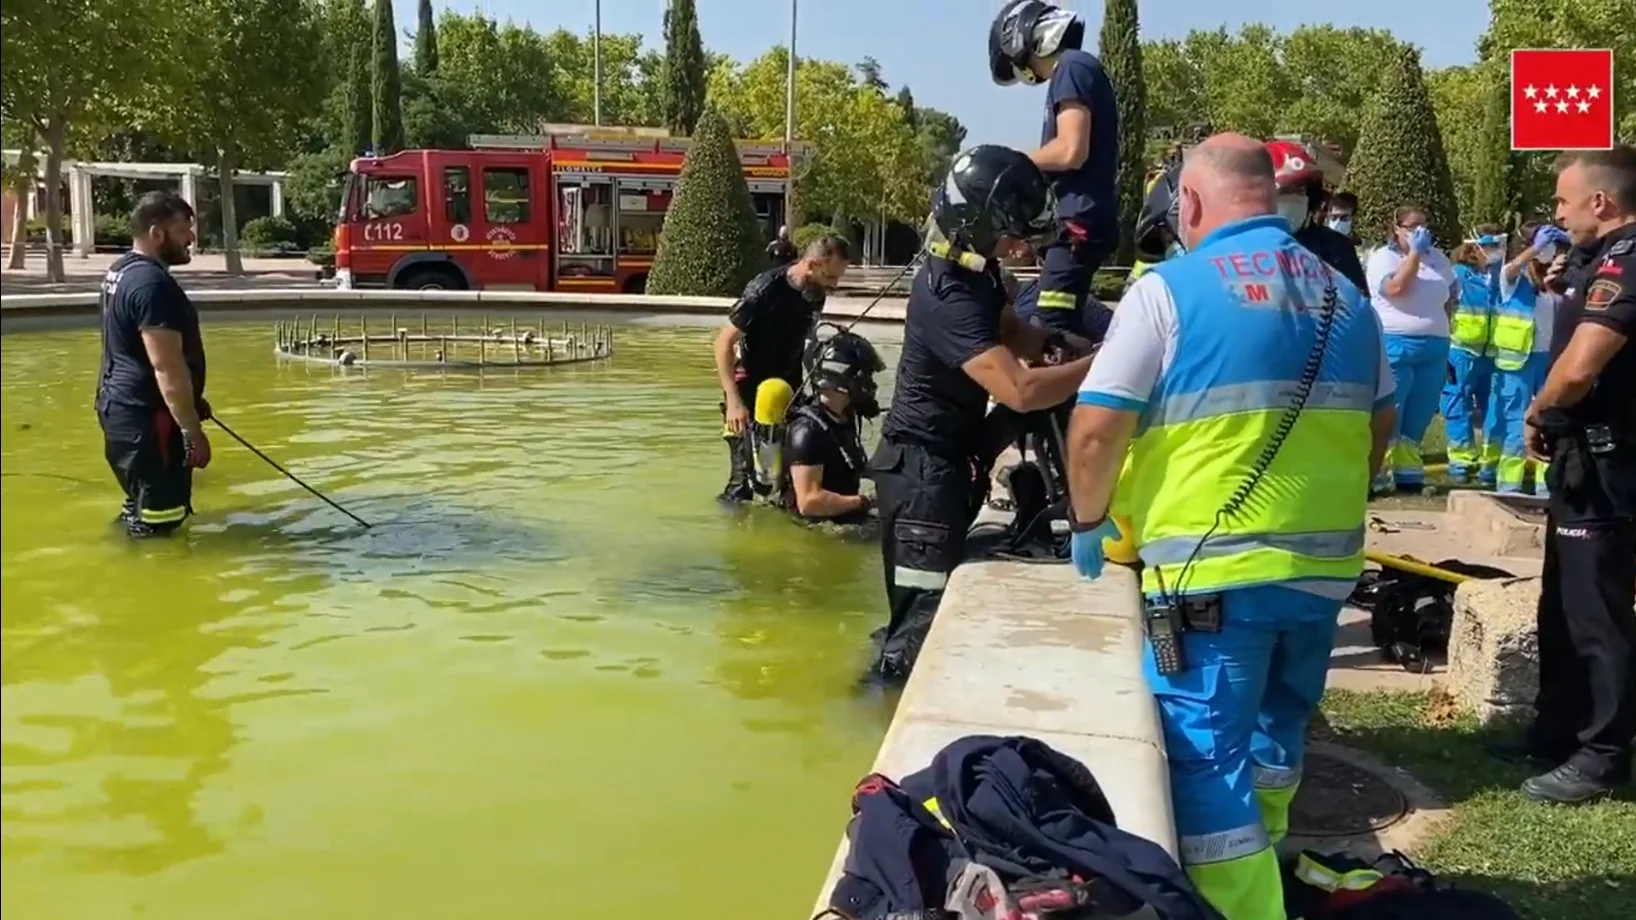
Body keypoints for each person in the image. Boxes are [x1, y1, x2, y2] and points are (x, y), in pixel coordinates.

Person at [1063, 134, 1396, 920]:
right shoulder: (1345, 297)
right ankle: (1270, 859)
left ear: (1191, 203)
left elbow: (1095, 430)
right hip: (1321, 572)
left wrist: (1088, 522)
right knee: (1279, 733)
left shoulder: (1167, 291)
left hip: (1209, 578)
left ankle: (1242, 909)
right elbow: (1381, 427)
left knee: (1203, 757)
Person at [870, 145, 1095, 681]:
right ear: (974, 223)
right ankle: (877, 727)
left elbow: (1016, 335)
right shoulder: (944, 291)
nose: (1020, 246)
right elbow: (1017, 390)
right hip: (923, 480)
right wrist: (1102, 367)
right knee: (914, 637)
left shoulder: (982, 274)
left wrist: (1066, 347)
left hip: (952, 464)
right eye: (1011, 233)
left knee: (926, 615)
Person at [1501, 146, 1636, 805]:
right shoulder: (1590, 261)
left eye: (1563, 200)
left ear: (1601, 202)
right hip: (1581, 460)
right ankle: (1557, 730)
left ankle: (1603, 753)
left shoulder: (1627, 262)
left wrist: (1540, 407)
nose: (1557, 213)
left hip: (1610, 466)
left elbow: (1583, 366)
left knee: (1596, 611)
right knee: (1560, 602)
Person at [989, 0, 1120, 332]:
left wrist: (1005, 165)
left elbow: (1070, 151)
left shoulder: (1071, 67)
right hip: (1078, 224)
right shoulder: (1077, 68)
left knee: (1051, 329)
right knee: (1066, 325)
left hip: (1077, 225)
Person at [95, 191, 213, 537]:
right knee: (161, 528)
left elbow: (130, 350)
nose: (191, 238)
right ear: (156, 233)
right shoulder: (152, 285)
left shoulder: (121, 271)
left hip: (124, 412)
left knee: (141, 510)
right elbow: (166, 367)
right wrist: (192, 433)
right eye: (183, 230)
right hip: (150, 421)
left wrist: (192, 402)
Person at [713, 235, 851, 503]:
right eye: (830, 277)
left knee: (791, 477)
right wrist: (733, 401)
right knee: (744, 484)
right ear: (811, 265)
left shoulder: (815, 294)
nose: (834, 285)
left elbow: (804, 342)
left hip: (790, 388)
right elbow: (722, 343)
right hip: (750, 388)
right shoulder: (764, 290)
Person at [1364, 204, 1460, 494]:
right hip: (1396, 341)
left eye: (1424, 225)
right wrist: (1415, 254)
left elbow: (1451, 290)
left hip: (1435, 344)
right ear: (1396, 229)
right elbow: (1395, 288)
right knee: (1392, 410)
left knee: (1420, 412)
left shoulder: (1438, 258)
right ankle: (1378, 472)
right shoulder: (1384, 257)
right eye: (1412, 227)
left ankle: (1408, 472)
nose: (1420, 232)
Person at [1489, 221, 1569, 495]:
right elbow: (1510, 268)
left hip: (1548, 361)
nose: (1549, 252)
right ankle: (1509, 486)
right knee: (1516, 423)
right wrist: (1535, 247)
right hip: (1518, 363)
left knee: (1547, 421)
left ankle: (1545, 486)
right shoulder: (1514, 280)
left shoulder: (1554, 281)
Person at [779, 330, 884, 524]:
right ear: (840, 379)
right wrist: (868, 501)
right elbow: (809, 502)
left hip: (846, 519)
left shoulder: (845, 416)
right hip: (813, 531)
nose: (871, 384)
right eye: (865, 375)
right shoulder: (807, 431)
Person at [1441, 233, 1503, 486]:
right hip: (1461, 349)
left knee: (1494, 408)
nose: (1496, 251)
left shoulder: (1498, 276)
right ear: (1475, 247)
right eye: (1490, 246)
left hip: (1492, 352)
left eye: (1498, 246)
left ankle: (1490, 464)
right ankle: (1461, 462)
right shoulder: (1457, 273)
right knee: (1457, 404)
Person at [1266, 139, 1366, 291]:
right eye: (1284, 192)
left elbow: (1359, 305)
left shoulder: (1337, 247)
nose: (1293, 198)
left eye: (1299, 191)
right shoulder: (1236, 248)